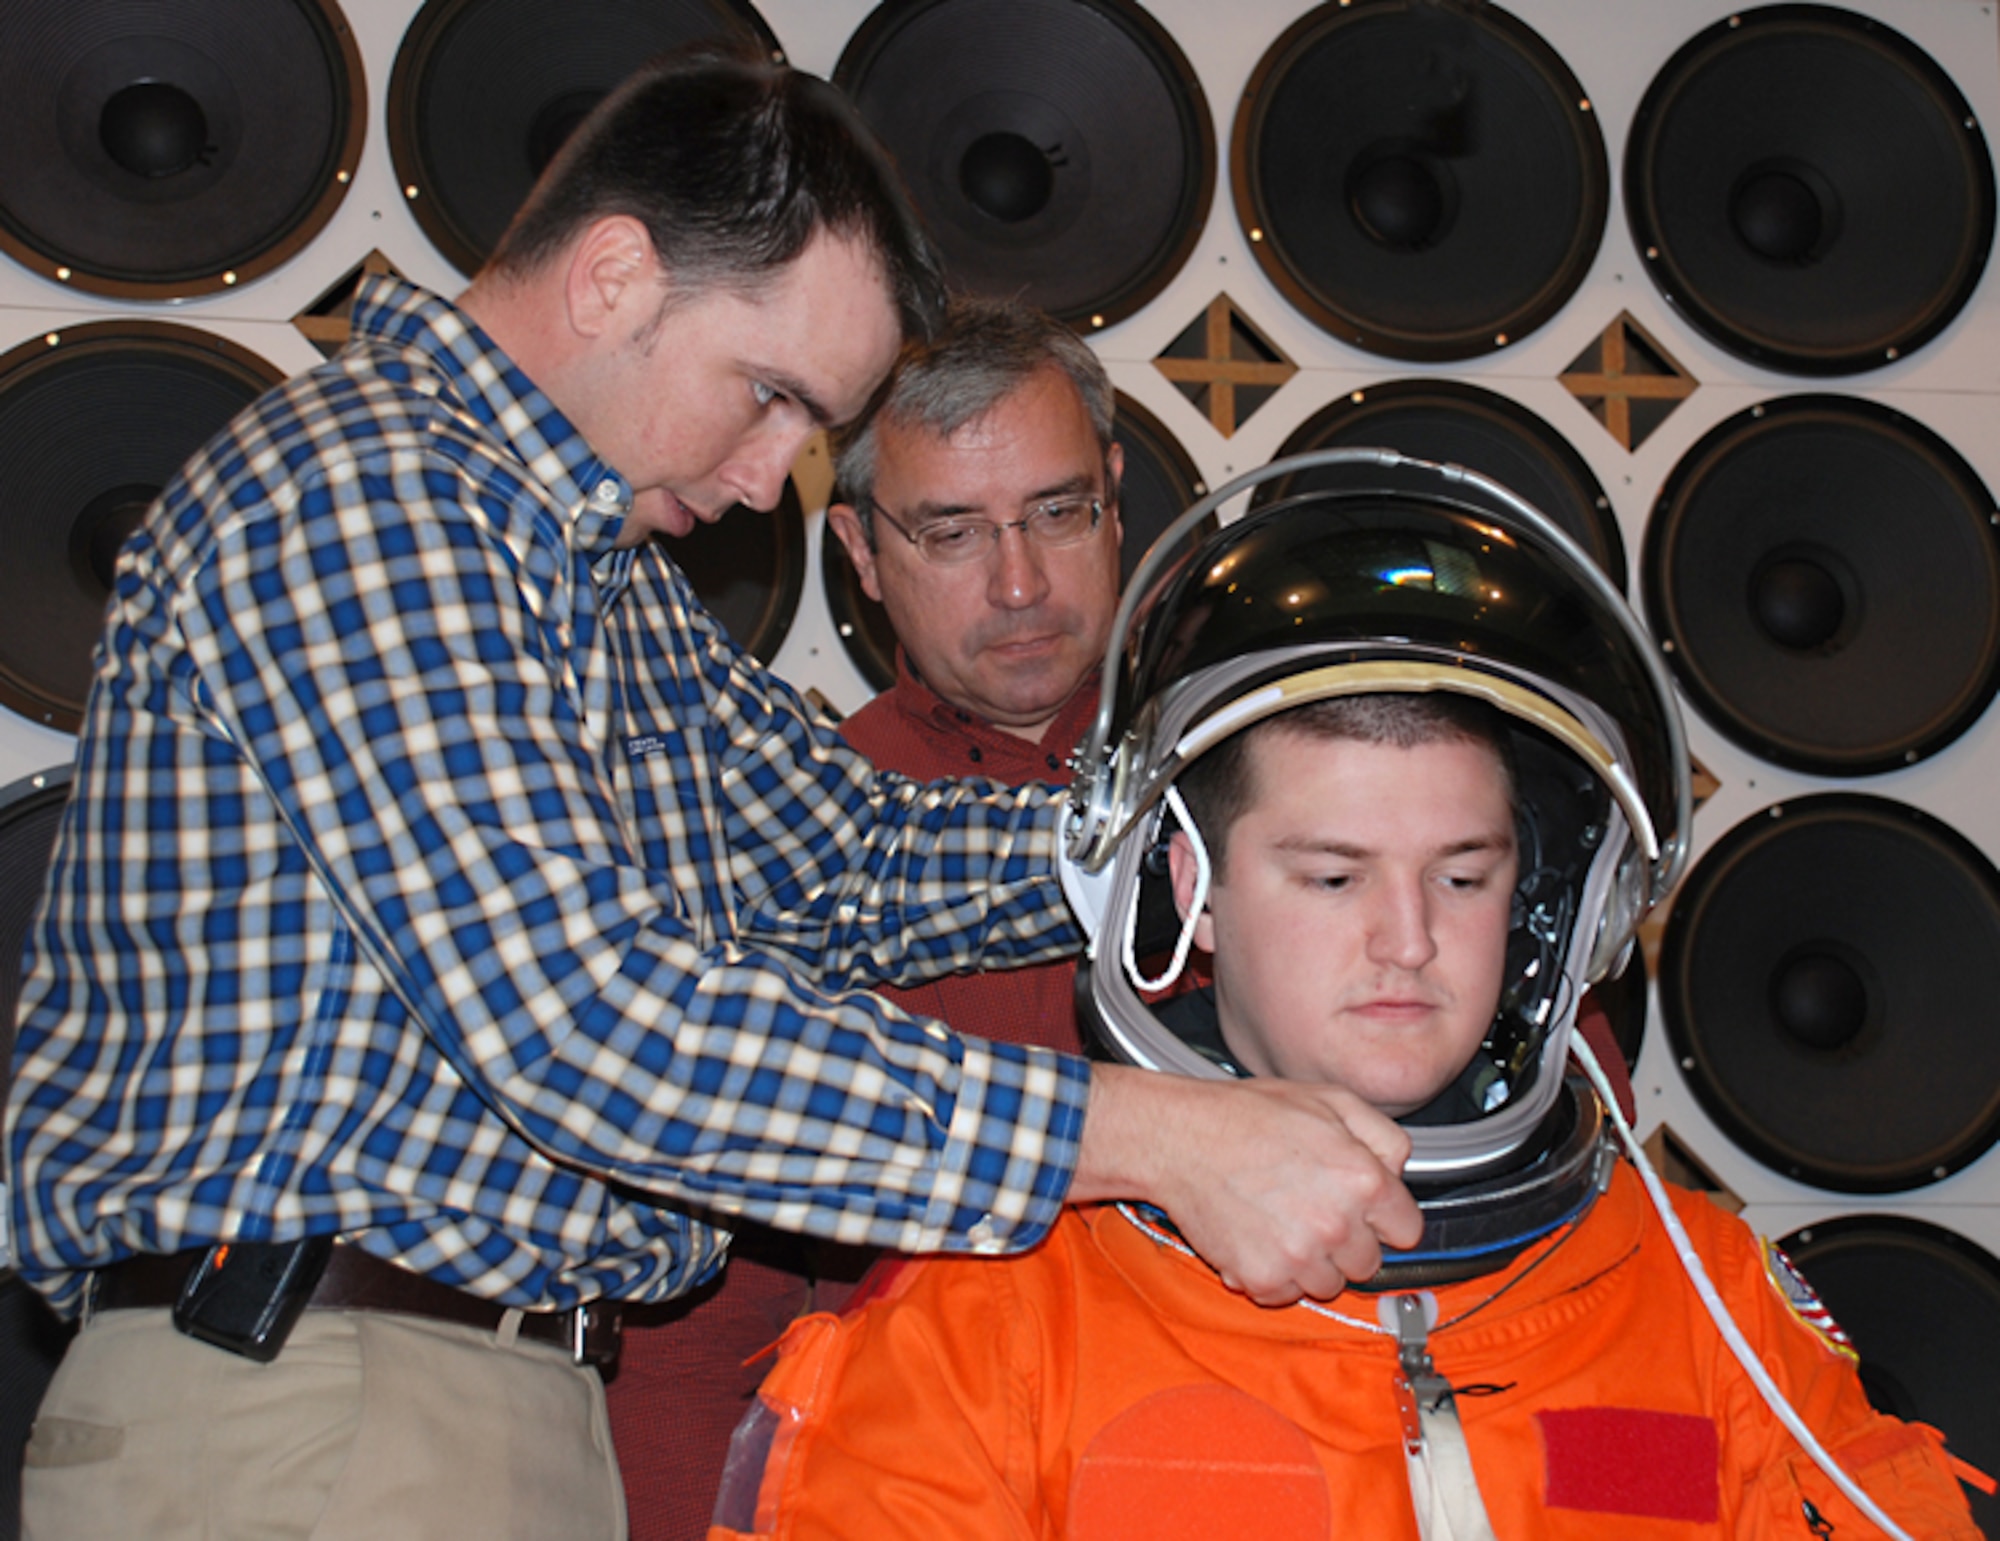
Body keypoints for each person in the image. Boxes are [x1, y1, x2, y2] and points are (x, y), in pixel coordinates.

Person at [4, 50, 1421, 1540]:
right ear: (614, 277)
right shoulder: (374, 495)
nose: (763, 485)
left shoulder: (604, 580)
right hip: (317, 1399)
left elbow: (846, 855)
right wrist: (1163, 1138)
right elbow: (585, 1017)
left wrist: (1202, 841)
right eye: (767, 398)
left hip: (457, 1396)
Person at [708, 456, 1983, 1540]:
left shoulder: (1709, 1301)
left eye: (1464, 873)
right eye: (1330, 874)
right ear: (1188, 892)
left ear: (1557, 910)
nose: (1408, 941)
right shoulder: (983, 1318)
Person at [609, 296, 1124, 1539]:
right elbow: (695, 1331)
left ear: (1116, 493)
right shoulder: (771, 845)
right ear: (857, 546)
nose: (1018, 580)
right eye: (950, 531)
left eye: (1057, 511)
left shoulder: (1308, 787)